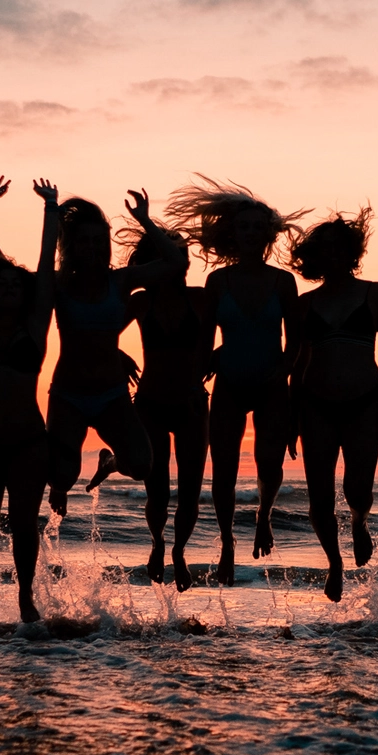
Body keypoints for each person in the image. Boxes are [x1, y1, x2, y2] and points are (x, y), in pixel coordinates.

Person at [164, 182, 302, 586]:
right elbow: (206, 340)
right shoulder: (218, 282)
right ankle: (227, 541)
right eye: (244, 227)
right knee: (221, 470)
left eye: (258, 227)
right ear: (233, 233)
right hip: (230, 383)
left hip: (272, 382)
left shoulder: (283, 281)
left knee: (269, 464)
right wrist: (195, 377)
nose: (250, 233)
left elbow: (295, 340)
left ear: (267, 235)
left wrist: (286, 372)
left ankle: (264, 517)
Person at [0, 178, 60, 621]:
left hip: (28, 441)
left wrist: (51, 210)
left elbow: (43, 266)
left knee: (24, 523)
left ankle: (25, 596)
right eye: (0, 284)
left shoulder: (36, 324)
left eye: (14, 286)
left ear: (24, 293)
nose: (7, 289)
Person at [45, 190, 180, 515]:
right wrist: (50, 215)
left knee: (142, 465)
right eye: (83, 240)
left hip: (111, 395)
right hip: (68, 395)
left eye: (97, 240)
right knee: (62, 476)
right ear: (71, 245)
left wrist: (144, 219)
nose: (91, 247)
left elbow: (175, 262)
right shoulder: (60, 285)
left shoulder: (121, 281)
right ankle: (57, 482)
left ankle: (109, 461)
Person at [289, 211, 378, 602]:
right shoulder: (303, 306)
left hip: (365, 402)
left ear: (351, 252)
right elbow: (297, 365)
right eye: (325, 250)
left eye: (339, 248)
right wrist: (290, 418)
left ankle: (359, 522)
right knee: (319, 496)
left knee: (358, 490)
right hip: (314, 405)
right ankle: (334, 562)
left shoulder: (374, 292)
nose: (332, 255)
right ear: (314, 257)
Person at [128, 222, 213, 589]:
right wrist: (115, 353)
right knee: (157, 493)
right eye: (167, 255)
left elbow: (224, 339)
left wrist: (215, 362)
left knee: (190, 492)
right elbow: (98, 333)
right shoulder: (141, 301)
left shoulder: (201, 299)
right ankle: (158, 542)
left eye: (180, 255)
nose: (179, 261)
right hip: (149, 404)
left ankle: (179, 550)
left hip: (192, 404)